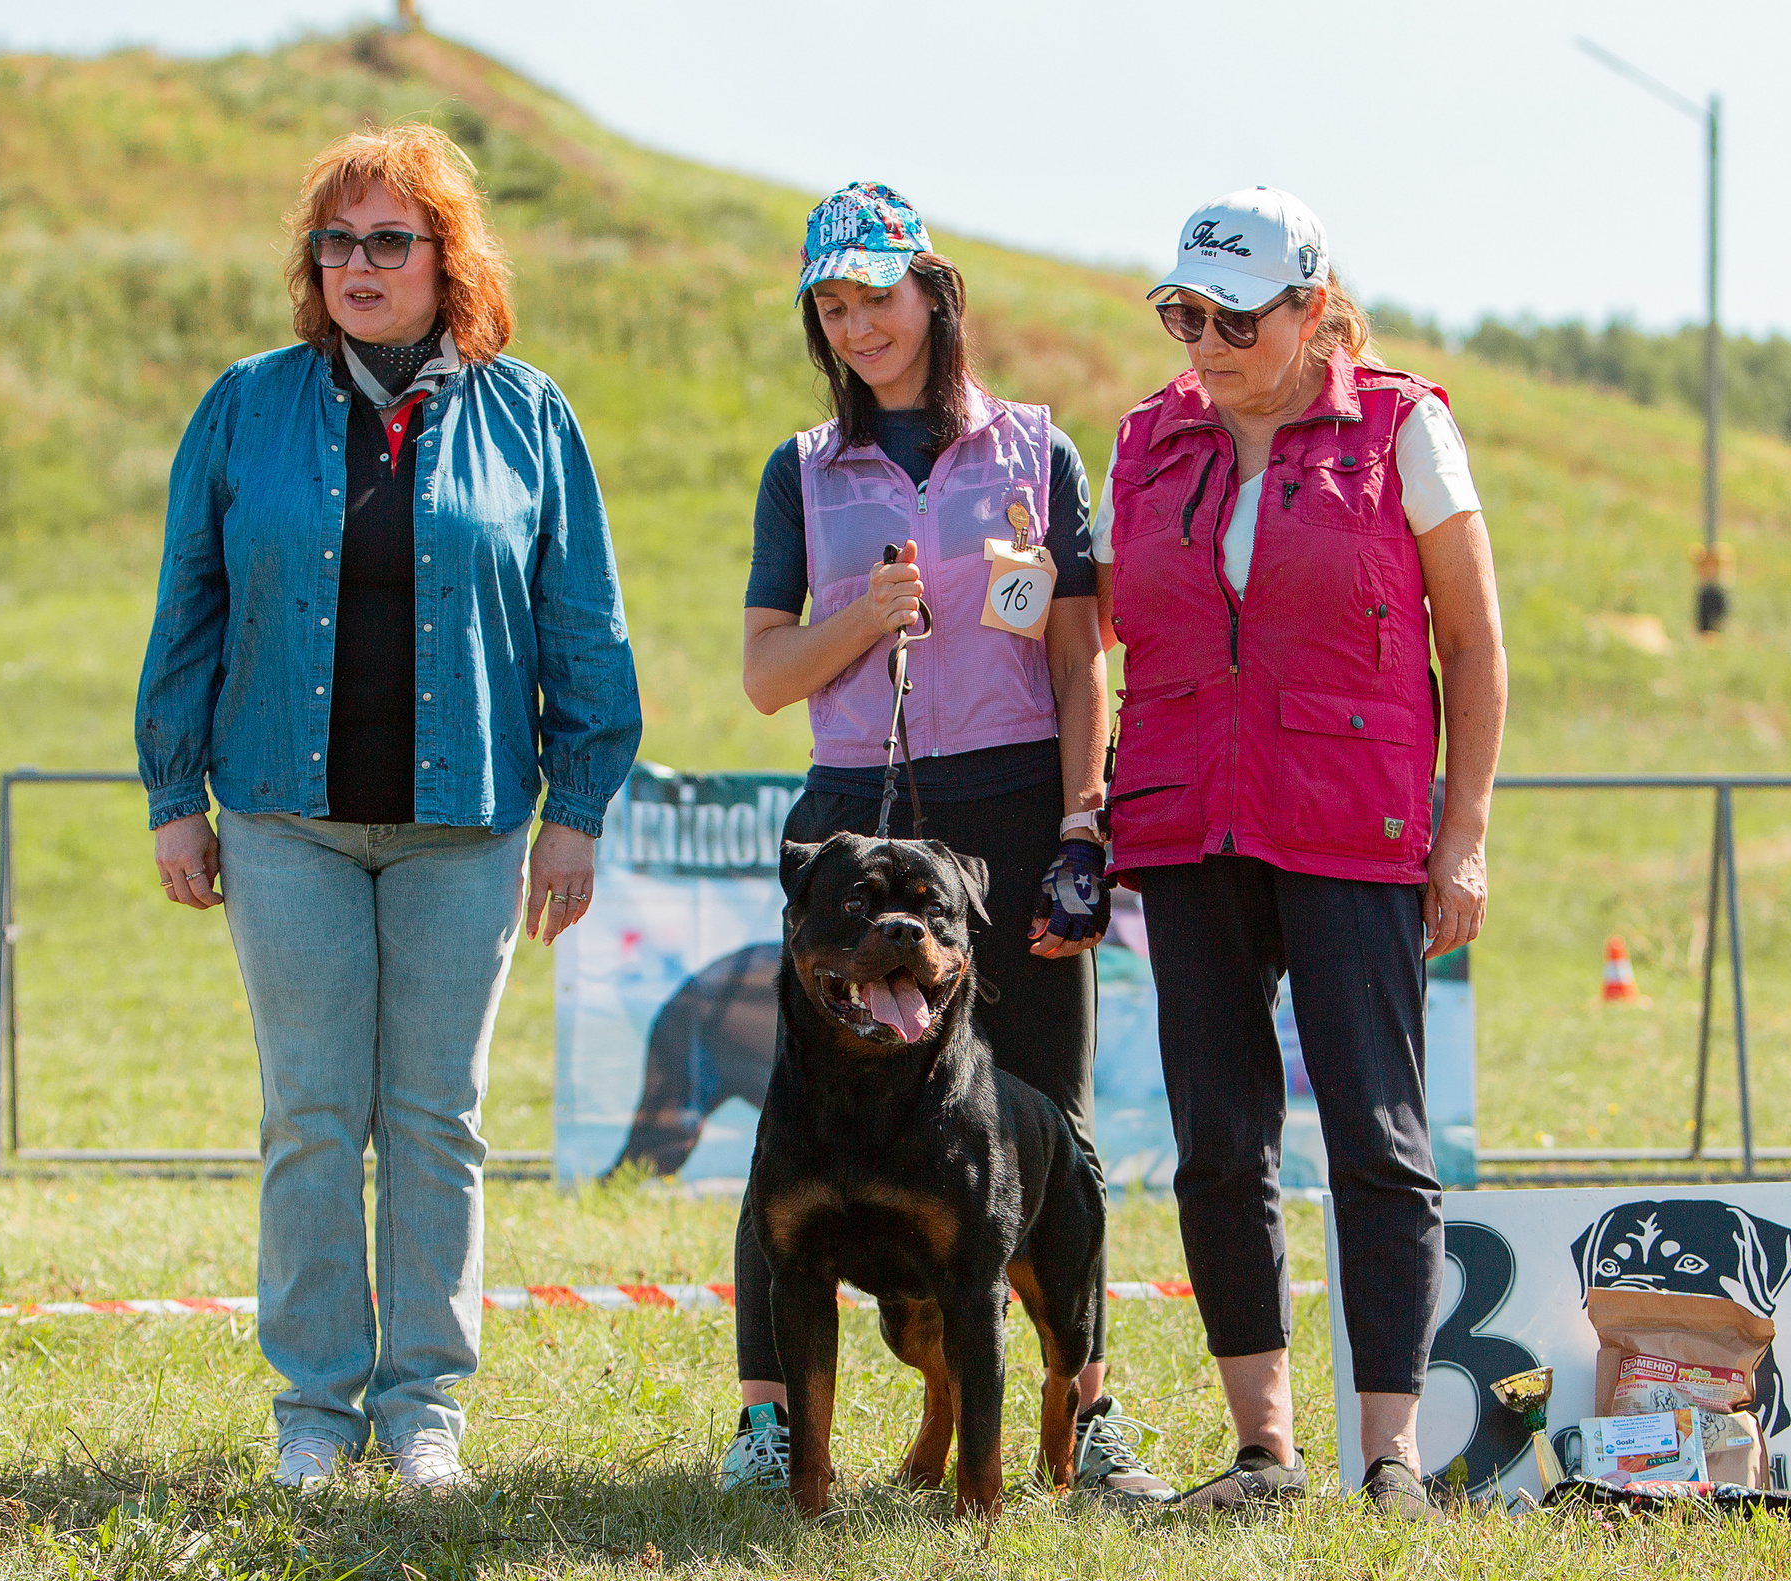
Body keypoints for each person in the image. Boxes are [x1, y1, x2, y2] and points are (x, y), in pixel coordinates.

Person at [135, 125, 641, 1492]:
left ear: (445, 259)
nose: (359, 265)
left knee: (434, 1119)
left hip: (466, 823)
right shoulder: (246, 405)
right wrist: (175, 792)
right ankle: (314, 1414)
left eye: (388, 241)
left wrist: (579, 801)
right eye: (337, 241)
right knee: (310, 1114)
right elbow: (189, 604)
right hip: (283, 821)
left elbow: (582, 622)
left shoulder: (529, 416)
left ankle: (425, 1411)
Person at [723, 182, 1169, 1508]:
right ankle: (766, 1425)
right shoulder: (802, 469)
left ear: (934, 290)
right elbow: (763, 675)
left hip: (1011, 816)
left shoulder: (1038, 450)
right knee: (795, 1130)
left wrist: (1082, 822)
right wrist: (861, 615)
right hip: (852, 822)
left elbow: (1086, 654)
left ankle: (1081, 1414)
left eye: (876, 294)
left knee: (1054, 1130)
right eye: (832, 304)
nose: (857, 323)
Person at [1092, 187, 1505, 1518]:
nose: (1201, 341)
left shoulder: (1408, 426)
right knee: (1218, 1139)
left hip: (1356, 826)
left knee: (1379, 1139)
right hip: (1187, 825)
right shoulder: (1147, 441)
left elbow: (1476, 650)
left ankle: (1390, 1456)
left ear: (1313, 309)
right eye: (1180, 312)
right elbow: (1102, 638)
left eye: (1231, 316)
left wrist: (1468, 834)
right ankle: (1261, 1449)